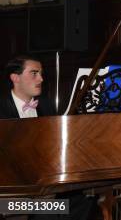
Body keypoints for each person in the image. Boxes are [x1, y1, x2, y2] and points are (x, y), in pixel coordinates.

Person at [1, 55, 96, 220]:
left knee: (84, 200)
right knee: (47, 210)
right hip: (10, 192)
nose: (41, 78)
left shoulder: (46, 105)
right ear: (15, 78)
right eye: (34, 73)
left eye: (41, 73)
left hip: (42, 183)